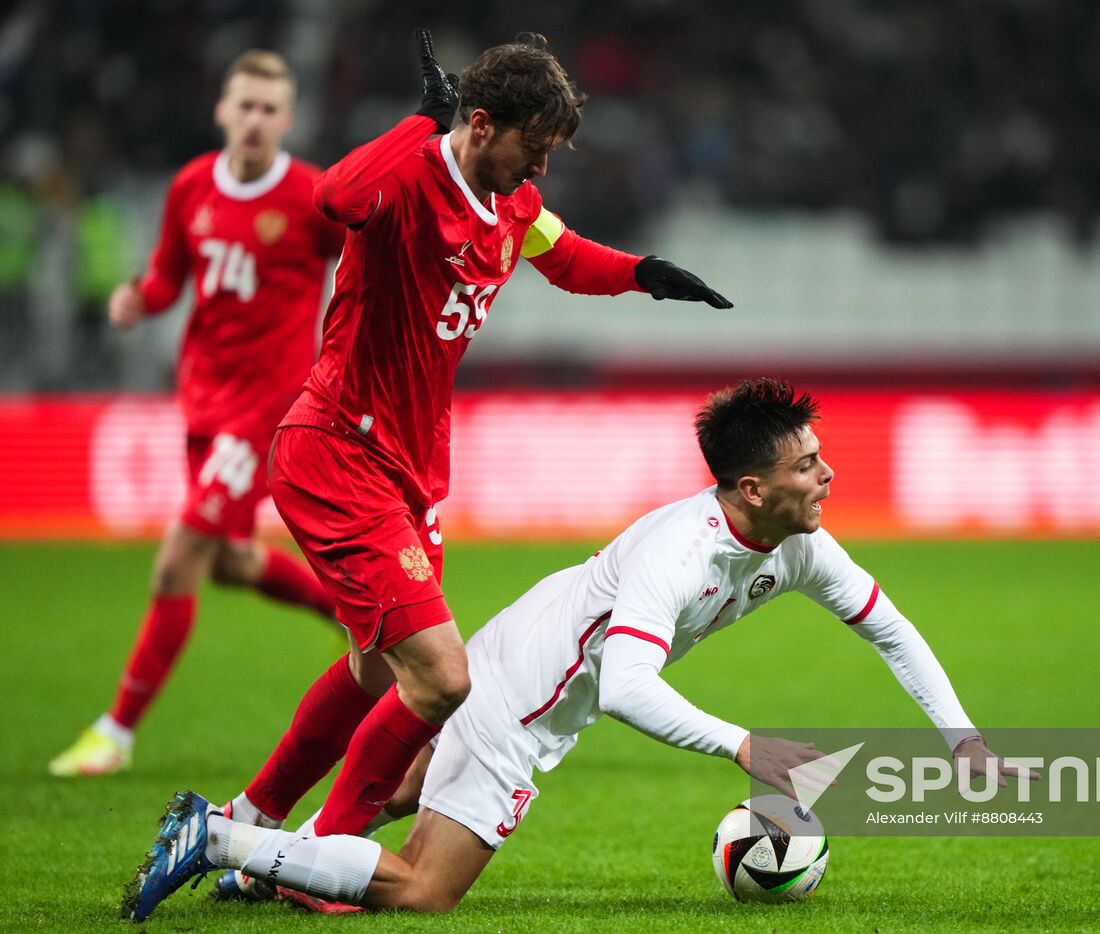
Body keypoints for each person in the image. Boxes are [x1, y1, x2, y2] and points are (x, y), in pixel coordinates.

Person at [123, 378, 1032, 921]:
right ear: (751, 488)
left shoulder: (799, 543)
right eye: (807, 466)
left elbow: (890, 627)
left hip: (536, 640)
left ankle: (256, 861)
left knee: (402, 795)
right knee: (426, 888)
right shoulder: (680, 555)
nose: (827, 475)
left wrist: (961, 738)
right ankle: (218, 837)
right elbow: (631, 685)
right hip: (531, 690)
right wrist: (744, 746)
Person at [199, 28, 732, 851]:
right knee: (442, 678)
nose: (542, 170)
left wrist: (642, 274)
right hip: (339, 448)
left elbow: (562, 256)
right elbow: (330, 199)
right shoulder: (406, 182)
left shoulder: (513, 203)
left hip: (412, 471)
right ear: (480, 125)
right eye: (535, 147)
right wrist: (420, 124)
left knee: (379, 672)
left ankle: (248, 820)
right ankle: (314, 859)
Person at [50, 50, 344, 778]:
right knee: (233, 564)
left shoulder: (310, 197)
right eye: (244, 105)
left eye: (269, 108)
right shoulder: (190, 187)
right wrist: (137, 299)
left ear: (288, 118)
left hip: (265, 409)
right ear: (221, 108)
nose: (255, 120)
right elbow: (168, 278)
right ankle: (348, 609)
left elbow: (365, 265)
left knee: (179, 556)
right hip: (202, 401)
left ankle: (114, 733)